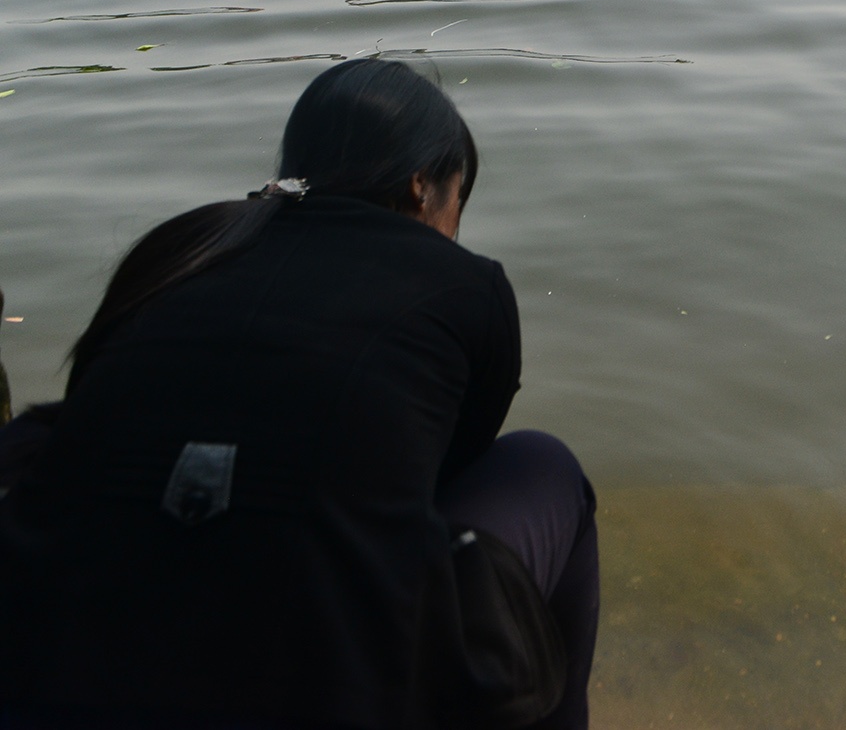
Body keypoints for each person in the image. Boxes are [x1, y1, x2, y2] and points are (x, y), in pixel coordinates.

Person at [0, 59, 597, 730]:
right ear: (421, 185)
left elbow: (90, 407)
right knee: (544, 468)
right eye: (459, 197)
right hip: (338, 677)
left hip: (52, 647)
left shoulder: (185, 243)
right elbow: (444, 475)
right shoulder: (466, 284)